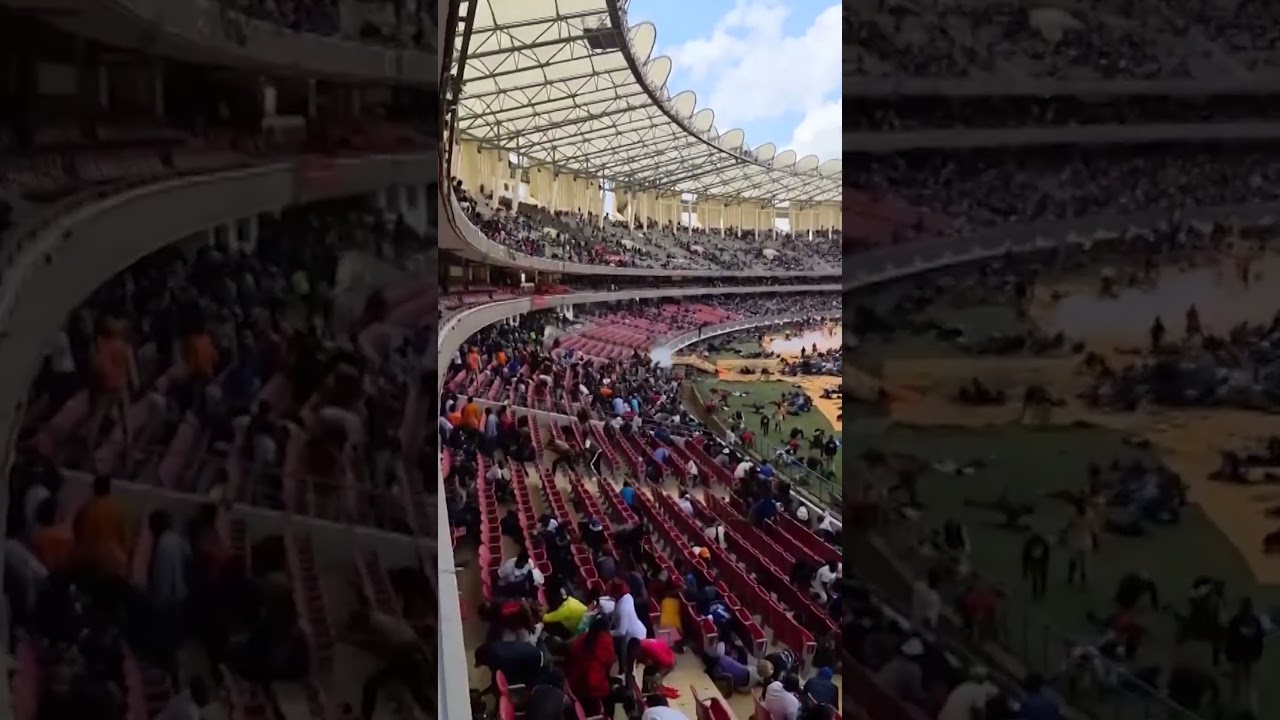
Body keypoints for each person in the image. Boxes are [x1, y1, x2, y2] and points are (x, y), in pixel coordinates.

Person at [349, 609, 432, 718]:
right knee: (419, 695)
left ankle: (366, 717)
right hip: (412, 656)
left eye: (358, 628)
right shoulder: (382, 620)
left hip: (406, 655)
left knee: (371, 685)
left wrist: (352, 641)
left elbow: (374, 645)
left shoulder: (376, 624)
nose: (360, 631)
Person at [74, 474, 133, 579]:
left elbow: (77, 531)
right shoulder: (118, 509)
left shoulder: (87, 507)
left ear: (94, 489)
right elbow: (125, 538)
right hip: (113, 562)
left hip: (90, 561)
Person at [1223, 597, 1264, 710]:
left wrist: (1229, 655)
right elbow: (1259, 640)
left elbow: (1229, 640)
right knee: (1250, 683)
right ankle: (1253, 709)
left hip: (1238, 657)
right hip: (1250, 657)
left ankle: (1235, 704)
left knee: (1236, 682)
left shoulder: (1235, 621)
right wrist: (1257, 655)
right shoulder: (1255, 621)